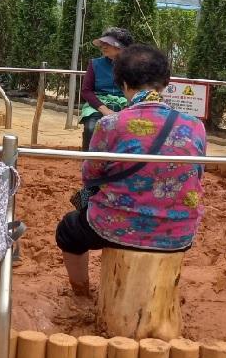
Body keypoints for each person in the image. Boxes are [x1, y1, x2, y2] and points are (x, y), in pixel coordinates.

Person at [56, 43, 208, 297]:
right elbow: (198, 173)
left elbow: (90, 176)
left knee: (68, 230)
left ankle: (80, 293)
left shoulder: (110, 124)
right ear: (165, 83)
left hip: (116, 227)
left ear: (123, 83)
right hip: (179, 232)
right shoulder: (195, 126)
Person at [79, 27, 136, 151]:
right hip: (98, 104)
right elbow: (86, 91)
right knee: (91, 128)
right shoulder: (95, 64)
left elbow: (137, 90)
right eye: (102, 43)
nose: (103, 46)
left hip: (126, 104)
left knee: (131, 130)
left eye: (108, 43)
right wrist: (104, 110)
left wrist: (127, 107)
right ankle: (88, 159)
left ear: (121, 47)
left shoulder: (133, 66)